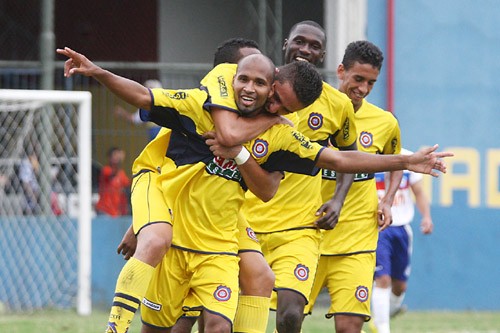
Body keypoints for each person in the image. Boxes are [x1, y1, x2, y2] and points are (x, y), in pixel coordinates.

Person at [58, 46, 450, 333]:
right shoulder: (215, 91)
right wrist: (100, 73)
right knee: (163, 311)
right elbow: (152, 100)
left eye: (281, 106)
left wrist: (403, 160)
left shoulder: (281, 132)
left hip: (219, 232)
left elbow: (339, 160)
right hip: (172, 205)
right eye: (270, 95)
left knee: (241, 298)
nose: (271, 105)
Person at [238, 20, 358, 333]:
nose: (305, 49)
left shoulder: (338, 105)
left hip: (298, 227)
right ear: (285, 45)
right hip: (244, 220)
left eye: (314, 46)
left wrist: (337, 200)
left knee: (291, 315)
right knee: (226, 316)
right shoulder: (258, 87)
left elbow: (348, 157)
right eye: (299, 41)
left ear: (323, 55)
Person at [304, 40, 403, 333]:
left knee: (350, 326)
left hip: (357, 240)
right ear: (341, 71)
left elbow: (397, 161)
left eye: (371, 82)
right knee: (289, 318)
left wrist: (386, 200)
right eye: (358, 79)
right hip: (308, 233)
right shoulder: (310, 111)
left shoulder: (385, 122)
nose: (363, 88)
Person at [370, 148, 434, 333]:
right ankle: (383, 328)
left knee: (399, 286)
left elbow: (419, 192)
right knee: (382, 279)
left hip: (402, 227)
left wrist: (427, 217)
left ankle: (383, 316)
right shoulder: (367, 156)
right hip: (378, 228)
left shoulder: (409, 157)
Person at [95, 146, 131, 217]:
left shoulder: (121, 173)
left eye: (118, 155)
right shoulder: (106, 170)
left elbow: (128, 184)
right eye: (115, 155)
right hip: (104, 210)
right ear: (109, 158)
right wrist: (120, 162)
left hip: (115, 212)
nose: (117, 157)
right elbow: (112, 175)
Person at [19, 148, 41, 215]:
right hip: (31, 196)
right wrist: (34, 196)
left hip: (39, 193)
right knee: (31, 206)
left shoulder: (39, 162)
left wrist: (36, 169)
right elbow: (25, 184)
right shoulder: (26, 163)